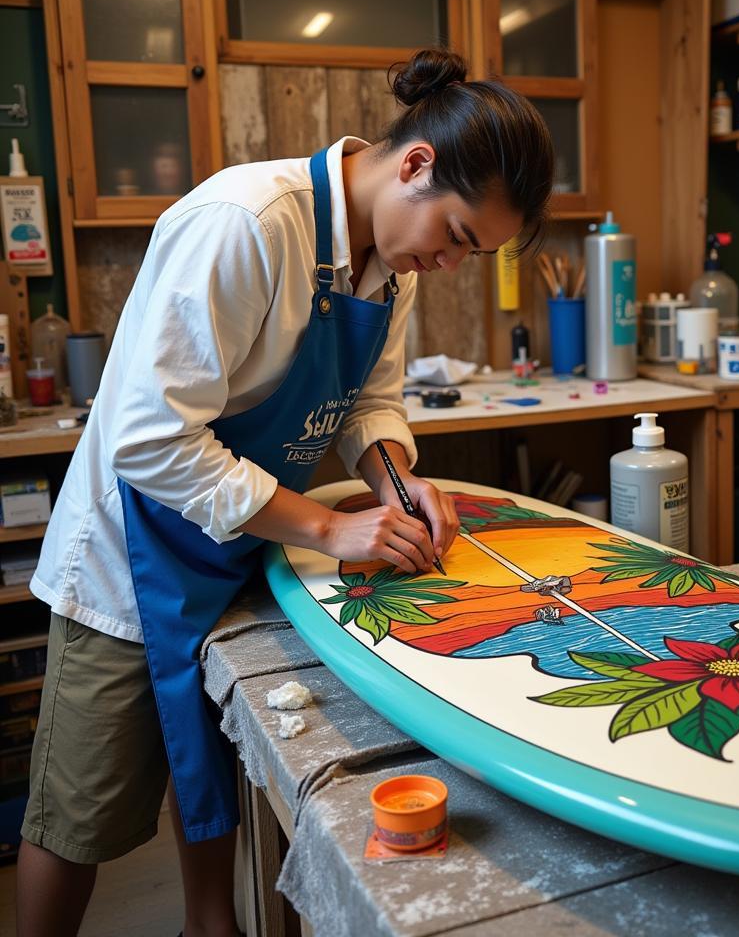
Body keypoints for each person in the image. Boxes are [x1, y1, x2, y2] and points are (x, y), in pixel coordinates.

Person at [17, 47, 553, 937]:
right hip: (129, 554)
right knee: (79, 813)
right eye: (459, 236)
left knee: (217, 765)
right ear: (416, 165)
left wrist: (393, 476)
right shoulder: (249, 221)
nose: (454, 264)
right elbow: (151, 439)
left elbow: (367, 399)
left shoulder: (390, 256)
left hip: (239, 542)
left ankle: (210, 925)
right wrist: (329, 529)